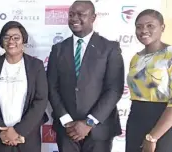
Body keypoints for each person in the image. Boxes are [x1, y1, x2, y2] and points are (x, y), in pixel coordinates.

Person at [47, 1, 125, 152]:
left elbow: (114, 89)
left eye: (81, 14)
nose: (75, 18)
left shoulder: (110, 48)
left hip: (99, 130)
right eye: (71, 14)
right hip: (67, 129)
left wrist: (89, 122)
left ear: (93, 17)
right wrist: (66, 120)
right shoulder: (58, 49)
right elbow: (51, 87)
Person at [0, 21, 48, 152]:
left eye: (16, 37)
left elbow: (41, 100)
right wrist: (1, 131)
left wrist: (18, 131)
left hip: (27, 137)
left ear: (24, 41)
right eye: (7, 37)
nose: (11, 41)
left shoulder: (36, 66)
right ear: (1, 41)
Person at [126, 9, 172, 152]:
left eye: (150, 25)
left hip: (165, 126)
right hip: (136, 121)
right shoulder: (136, 58)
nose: (143, 30)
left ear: (162, 27)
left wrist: (153, 137)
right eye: (139, 26)